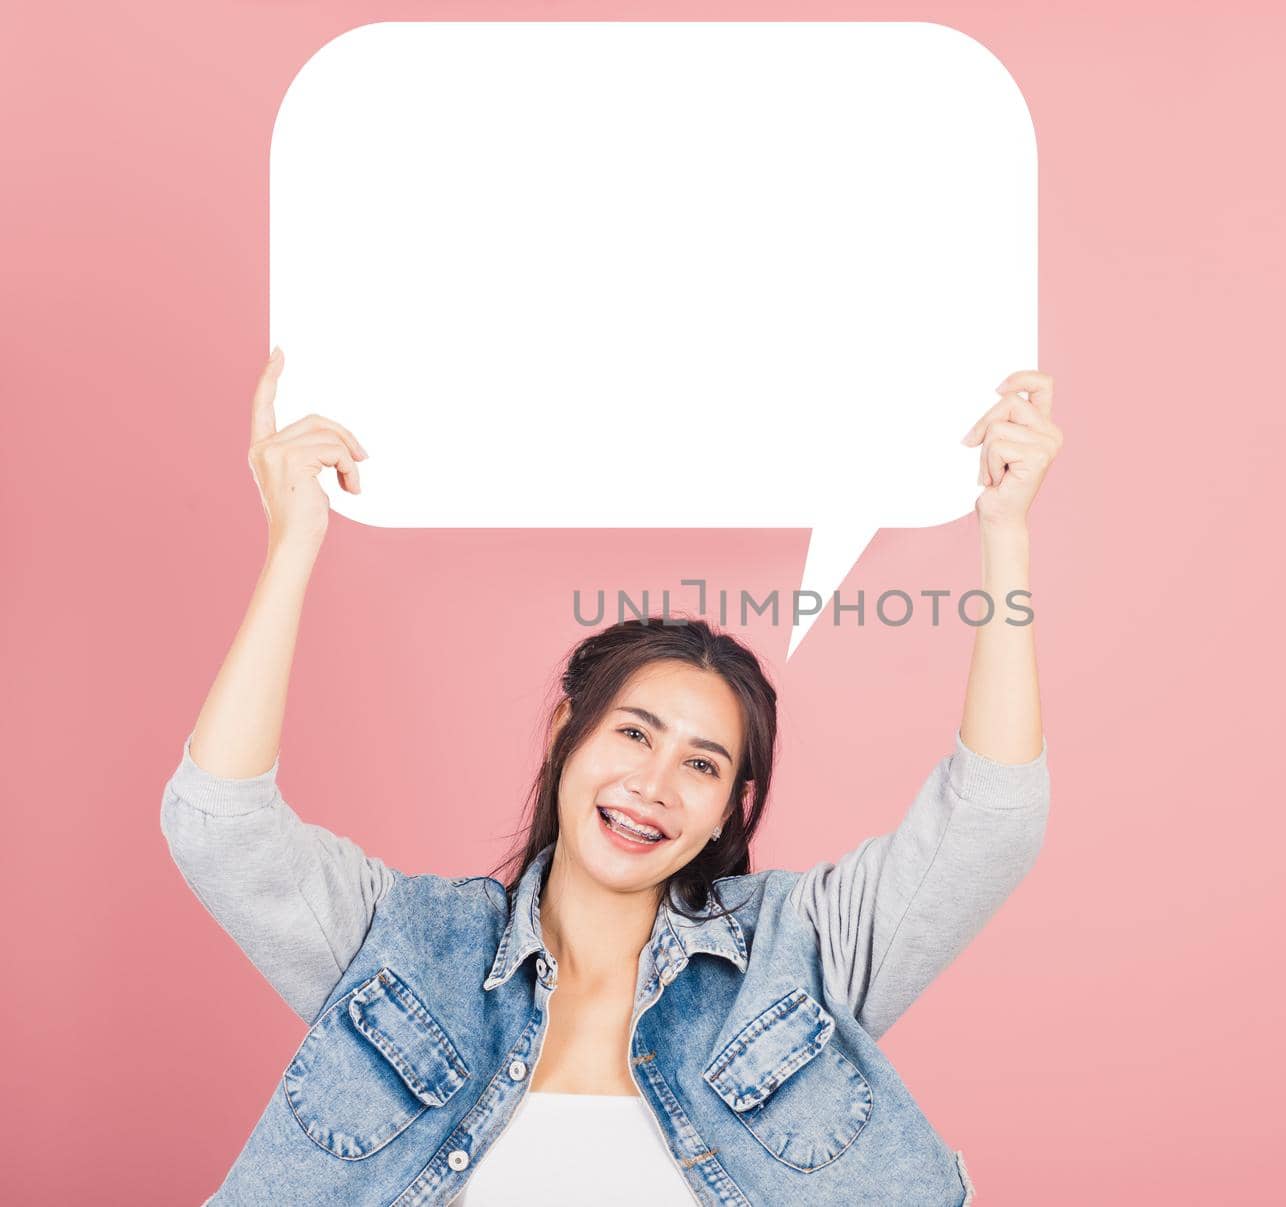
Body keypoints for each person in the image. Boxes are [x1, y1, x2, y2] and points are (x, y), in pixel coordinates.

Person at [161, 348, 1062, 1206]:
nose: (655, 783)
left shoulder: (806, 950)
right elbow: (219, 825)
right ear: (566, 735)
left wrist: (1005, 533)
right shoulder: (402, 944)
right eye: (634, 732)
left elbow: (989, 821)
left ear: (726, 812)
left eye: (702, 763)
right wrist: (290, 546)